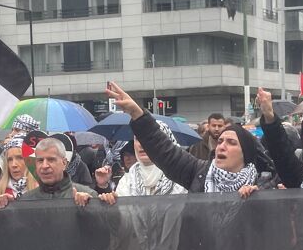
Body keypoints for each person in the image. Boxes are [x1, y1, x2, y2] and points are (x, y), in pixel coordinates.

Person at [108, 82, 276, 197]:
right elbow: (166, 152)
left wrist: (255, 197)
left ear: (245, 153)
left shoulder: (261, 185)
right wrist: (137, 114)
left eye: (231, 143)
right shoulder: (199, 172)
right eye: (220, 142)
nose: (222, 146)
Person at [14, 138, 107, 205]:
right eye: (40, 160)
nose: (44, 166)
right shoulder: (26, 201)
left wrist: (90, 208)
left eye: (51, 160)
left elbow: (108, 228)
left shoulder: (88, 196)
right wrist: (6, 209)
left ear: (64, 163)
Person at [113, 120, 188, 197]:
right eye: (137, 139)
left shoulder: (182, 177)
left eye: (149, 138)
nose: (141, 144)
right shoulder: (127, 180)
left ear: (165, 143)